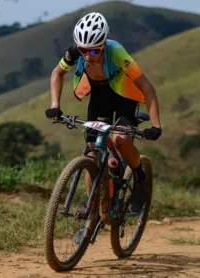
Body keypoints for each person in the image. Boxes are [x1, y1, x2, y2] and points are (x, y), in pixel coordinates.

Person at [45, 12, 162, 213]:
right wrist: (55, 104)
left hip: (125, 97)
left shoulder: (116, 51)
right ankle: (93, 211)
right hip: (100, 98)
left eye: (94, 50)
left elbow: (146, 86)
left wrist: (156, 125)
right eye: (84, 50)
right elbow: (57, 72)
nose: (88, 55)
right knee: (91, 154)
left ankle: (140, 177)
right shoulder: (75, 51)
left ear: (103, 44)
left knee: (121, 140)